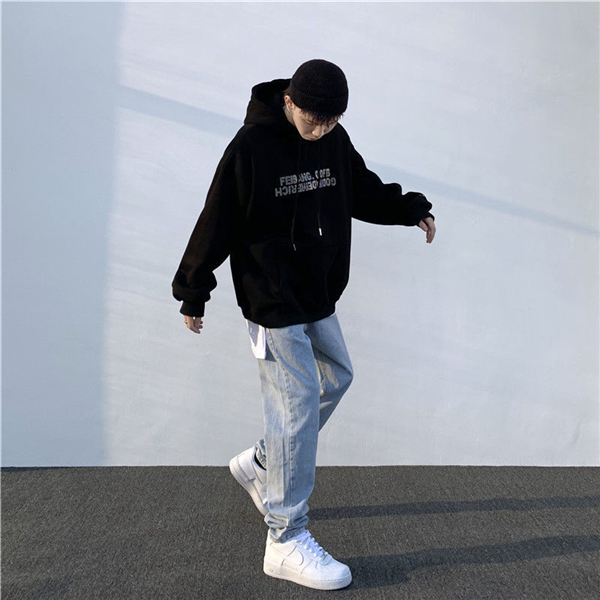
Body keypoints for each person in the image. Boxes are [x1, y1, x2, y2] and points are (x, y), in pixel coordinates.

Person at [172, 58, 436, 591]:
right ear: (290, 102)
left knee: (336, 378)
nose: (321, 131)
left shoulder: (334, 139)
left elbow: (360, 188)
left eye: (333, 122)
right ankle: (285, 537)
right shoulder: (250, 147)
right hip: (271, 299)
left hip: (317, 291)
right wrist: (193, 289)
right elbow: (217, 218)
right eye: (314, 121)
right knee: (296, 403)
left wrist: (410, 209)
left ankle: (264, 462)